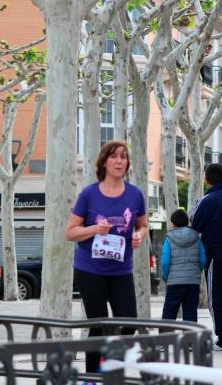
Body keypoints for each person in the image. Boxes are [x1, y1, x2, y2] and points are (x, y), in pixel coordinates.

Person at [65, 140, 148, 374]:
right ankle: (92, 377)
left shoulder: (135, 195)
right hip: (90, 269)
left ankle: (111, 362)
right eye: (114, 156)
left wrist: (138, 236)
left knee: (129, 321)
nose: (119, 161)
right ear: (104, 162)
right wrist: (93, 229)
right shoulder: (89, 194)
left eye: (123, 157)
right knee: (98, 325)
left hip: (121, 270)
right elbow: (70, 232)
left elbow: (143, 225)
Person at [190, 163, 222, 351]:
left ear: (207, 179)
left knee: (217, 297)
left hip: (217, 254)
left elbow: (195, 224)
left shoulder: (206, 200)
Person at [161, 209, 206, 323]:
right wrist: (195, 272)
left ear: (174, 223)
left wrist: (167, 277)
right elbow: (203, 259)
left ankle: (165, 339)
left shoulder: (169, 239)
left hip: (174, 283)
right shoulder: (197, 238)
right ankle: (190, 340)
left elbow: (165, 262)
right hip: (192, 282)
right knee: (190, 314)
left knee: (169, 315)